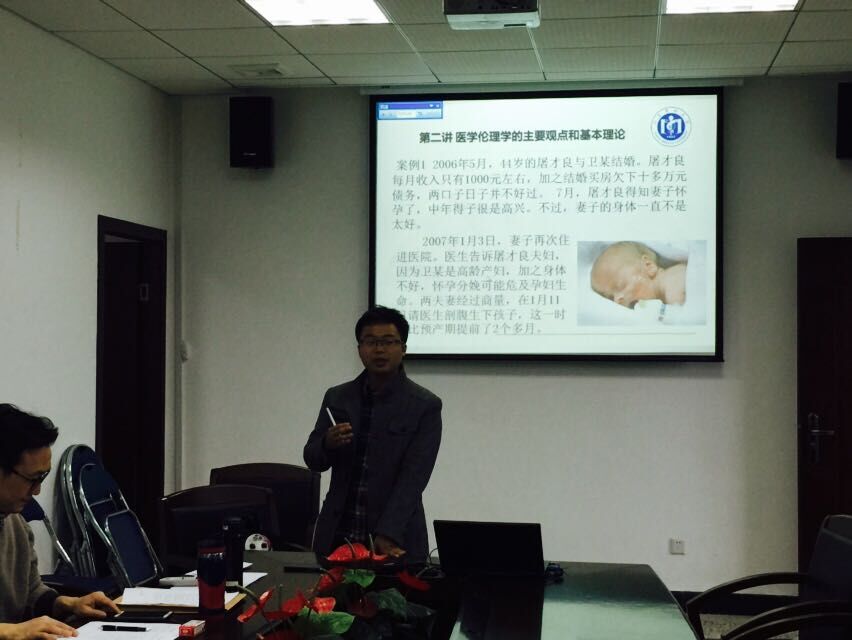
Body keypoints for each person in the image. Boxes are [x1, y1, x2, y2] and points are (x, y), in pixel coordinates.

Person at [304, 307, 442, 562]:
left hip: (393, 538)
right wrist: (327, 443)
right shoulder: (337, 397)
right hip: (337, 534)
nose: (379, 350)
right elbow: (313, 459)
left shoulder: (424, 405)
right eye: (371, 342)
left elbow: (414, 478)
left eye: (388, 342)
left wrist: (389, 532)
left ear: (403, 348)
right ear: (359, 349)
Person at [0, 404, 120, 639]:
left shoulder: (16, 525)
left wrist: (68, 604)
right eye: (32, 479)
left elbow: (31, 593)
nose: (37, 491)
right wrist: (12, 631)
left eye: (42, 477)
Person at [590, 241, 687, 309]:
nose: (617, 300)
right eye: (611, 298)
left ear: (648, 266)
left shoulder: (672, 279)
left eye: (621, 285)